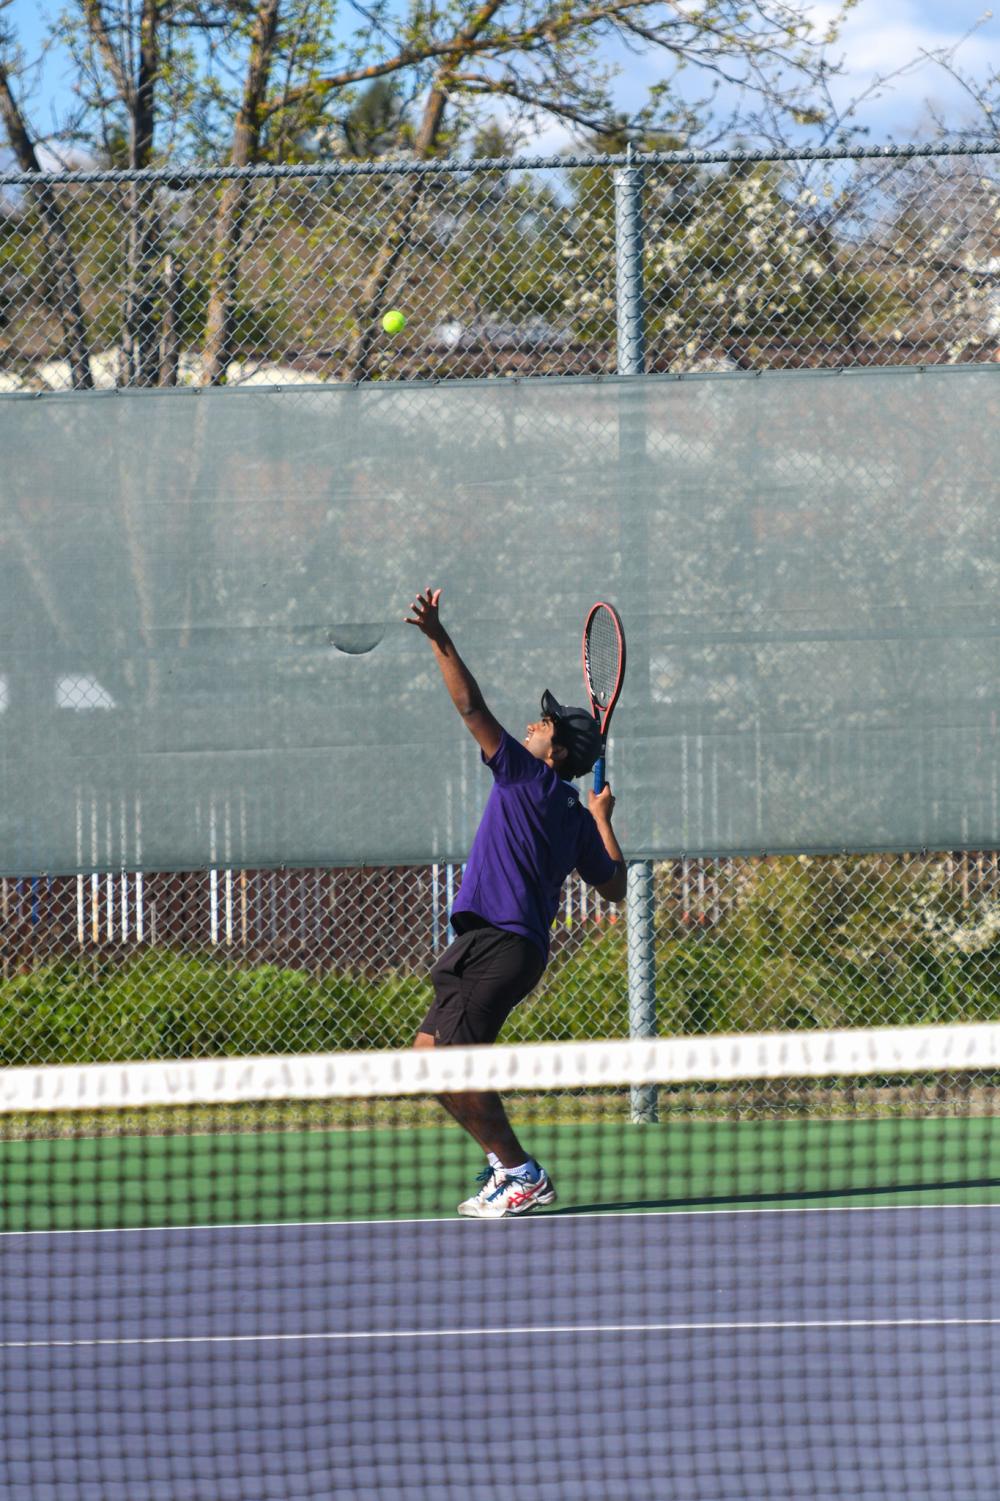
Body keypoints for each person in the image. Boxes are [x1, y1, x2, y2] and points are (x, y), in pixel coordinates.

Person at [405, 586, 627, 1219]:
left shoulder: (525, 776)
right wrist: (602, 817)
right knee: (425, 1060)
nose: (533, 724)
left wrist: (439, 637)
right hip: (498, 946)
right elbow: (612, 884)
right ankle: (507, 1167)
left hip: (500, 943)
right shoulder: (578, 818)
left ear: (553, 753)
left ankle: (521, 1171)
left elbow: (470, 705)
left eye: (544, 724)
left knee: (451, 1063)